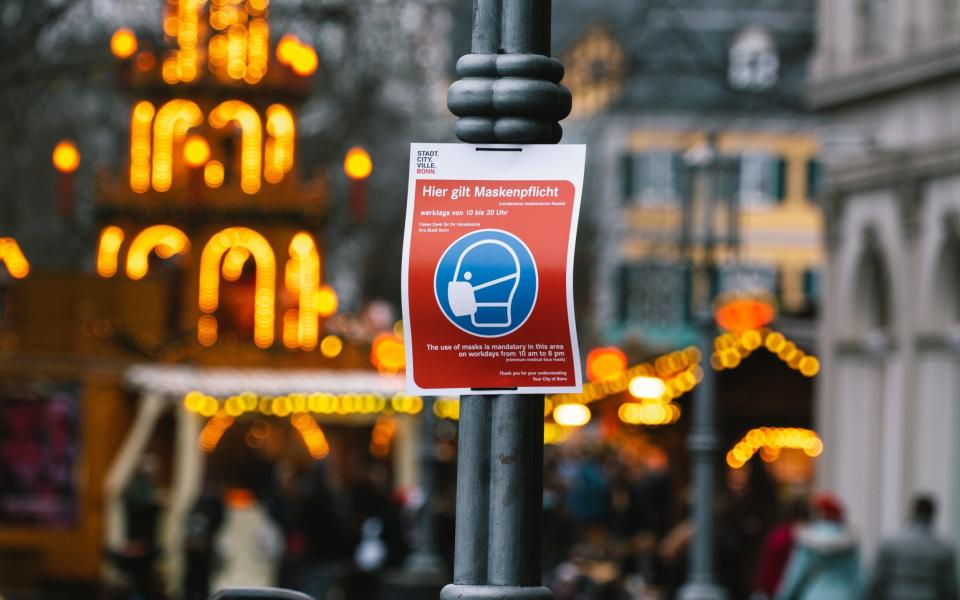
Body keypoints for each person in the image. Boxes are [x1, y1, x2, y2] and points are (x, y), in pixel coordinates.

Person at [867, 494, 958, 600]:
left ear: (913, 512)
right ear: (932, 514)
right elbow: (950, 587)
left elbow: (877, 580)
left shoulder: (890, 543)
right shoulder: (943, 548)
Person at [775, 492, 861, 600]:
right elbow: (858, 579)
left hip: (814, 595)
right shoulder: (850, 542)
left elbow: (795, 576)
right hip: (844, 595)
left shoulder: (808, 540)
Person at [753, 497, 810, 599]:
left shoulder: (778, 535)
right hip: (798, 591)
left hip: (774, 589)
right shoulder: (807, 537)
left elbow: (766, 567)